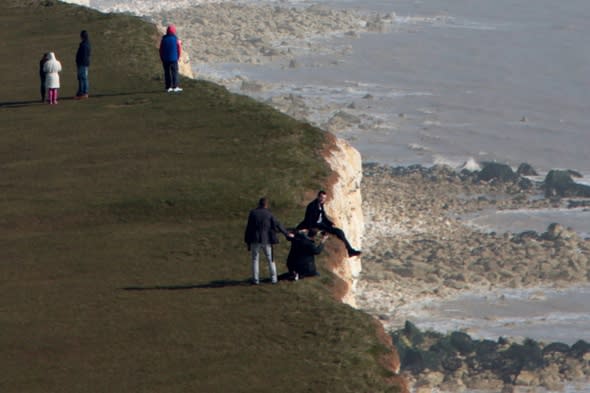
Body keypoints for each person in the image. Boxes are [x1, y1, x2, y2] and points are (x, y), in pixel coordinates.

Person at [297, 190, 361, 257]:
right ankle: (351, 251)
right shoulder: (312, 206)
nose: (323, 199)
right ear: (318, 197)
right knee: (338, 232)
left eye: (324, 198)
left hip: (321, 224)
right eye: (321, 197)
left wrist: (330, 223)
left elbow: (323, 217)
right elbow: (308, 220)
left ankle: (350, 250)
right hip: (316, 225)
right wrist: (312, 229)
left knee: (339, 232)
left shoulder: (320, 205)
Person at [244, 197, 292, 285]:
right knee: (270, 259)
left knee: (255, 259)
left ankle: (255, 280)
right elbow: (278, 224)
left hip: (255, 239)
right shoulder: (269, 214)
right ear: (266, 205)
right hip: (266, 240)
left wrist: (247, 240)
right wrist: (286, 233)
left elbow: (249, 228)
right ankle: (274, 279)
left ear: (259, 204)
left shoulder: (253, 213)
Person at [159, 25, 183, 93]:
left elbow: (161, 49)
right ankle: (175, 87)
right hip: (173, 59)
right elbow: (179, 49)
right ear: (174, 31)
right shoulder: (175, 39)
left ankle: (168, 87)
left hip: (165, 59)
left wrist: (162, 57)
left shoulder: (164, 39)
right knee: (174, 72)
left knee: (167, 73)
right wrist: (178, 57)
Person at [75, 30, 91, 99]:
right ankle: (83, 92)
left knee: (82, 78)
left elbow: (82, 55)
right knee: (84, 78)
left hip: (82, 64)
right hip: (85, 63)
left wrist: (79, 62)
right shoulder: (87, 43)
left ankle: (82, 93)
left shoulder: (83, 44)